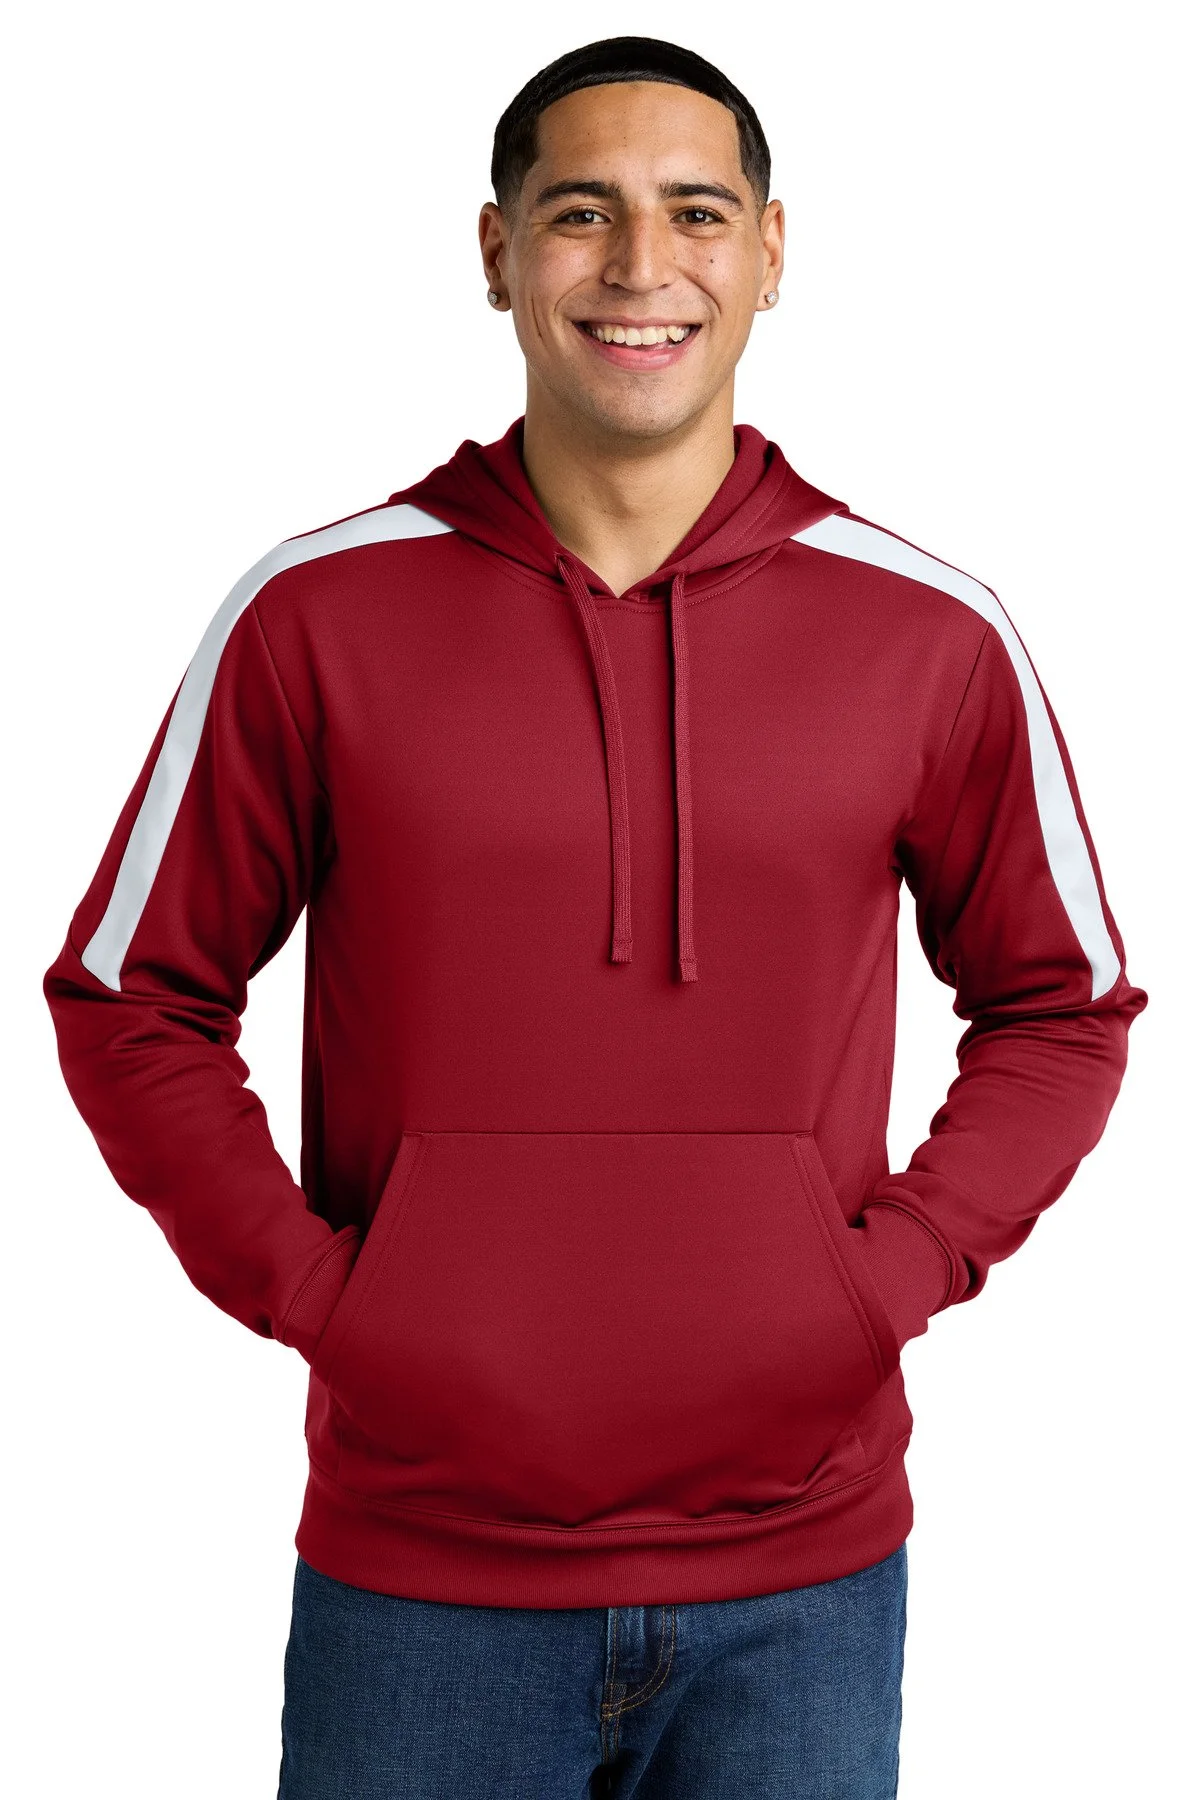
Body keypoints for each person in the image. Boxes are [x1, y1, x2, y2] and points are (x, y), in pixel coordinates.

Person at [43, 34, 1148, 1800]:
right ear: (497, 253)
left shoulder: (930, 633)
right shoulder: (315, 615)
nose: (641, 267)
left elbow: (1064, 1006)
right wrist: (328, 1298)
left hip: (803, 1576)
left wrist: (884, 1279)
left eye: (695, 213)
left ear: (772, 253)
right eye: (581, 213)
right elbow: (131, 996)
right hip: (424, 1574)